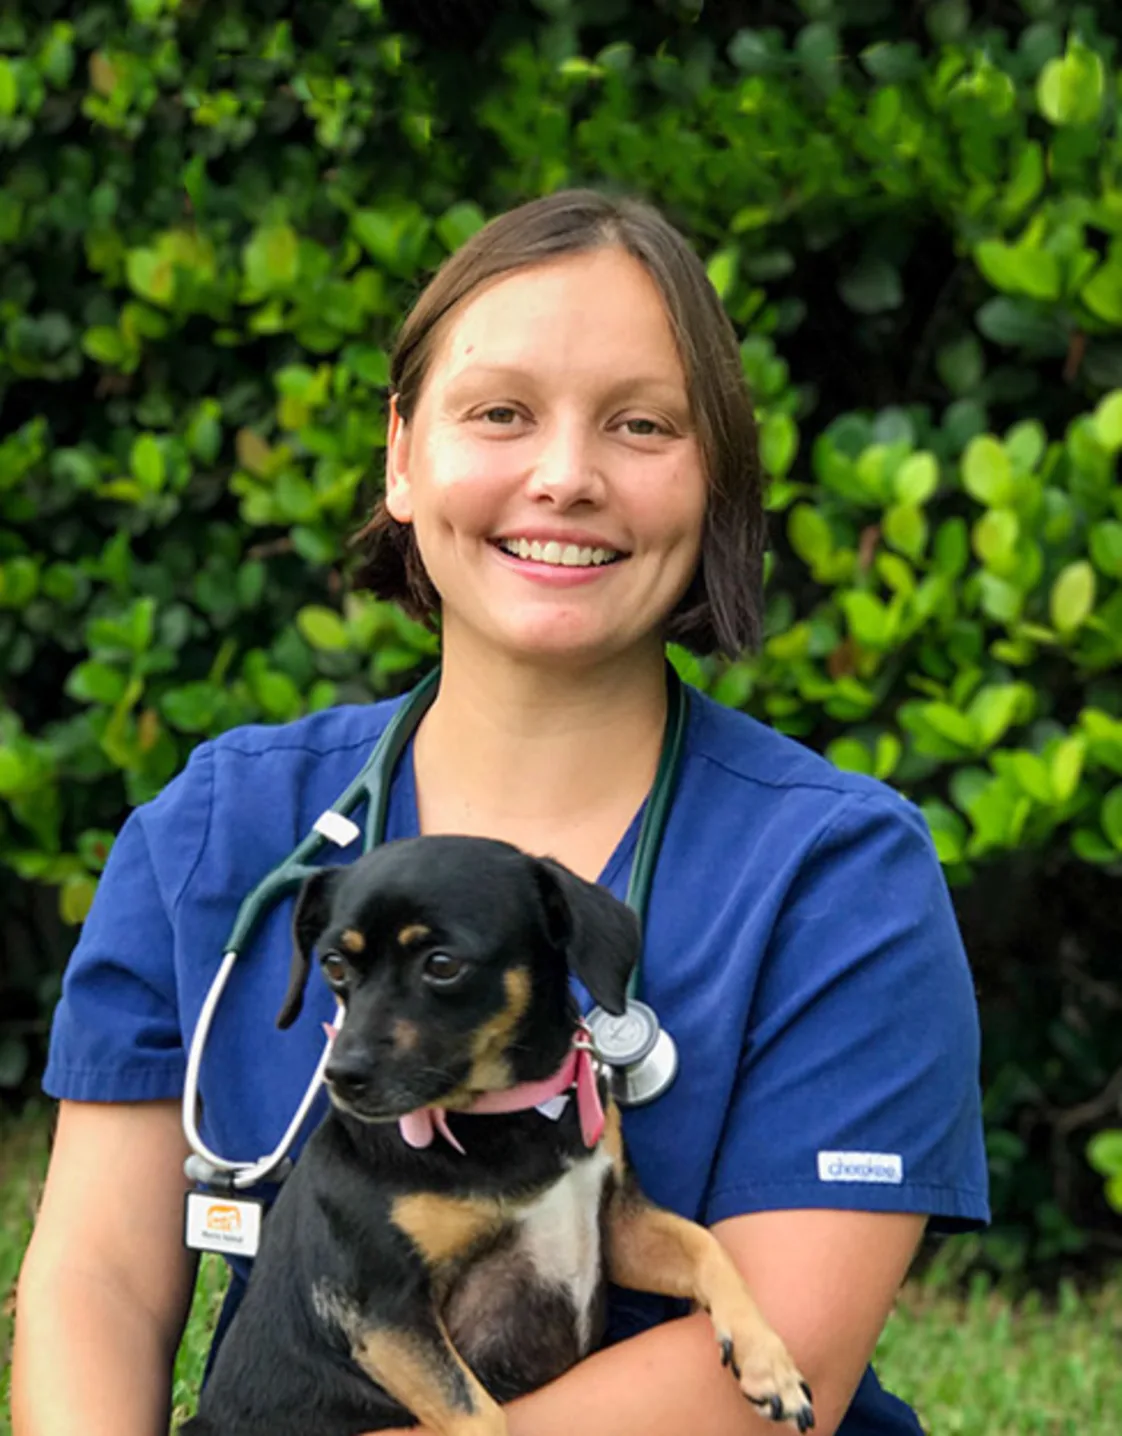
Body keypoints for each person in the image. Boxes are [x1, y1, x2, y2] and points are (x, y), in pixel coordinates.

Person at [12, 188, 988, 1436]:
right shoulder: (220, 825)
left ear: (717, 479)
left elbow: (765, 1385)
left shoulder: (837, 873)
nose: (566, 475)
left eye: (641, 424)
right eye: (500, 413)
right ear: (403, 455)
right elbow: (97, 1280)